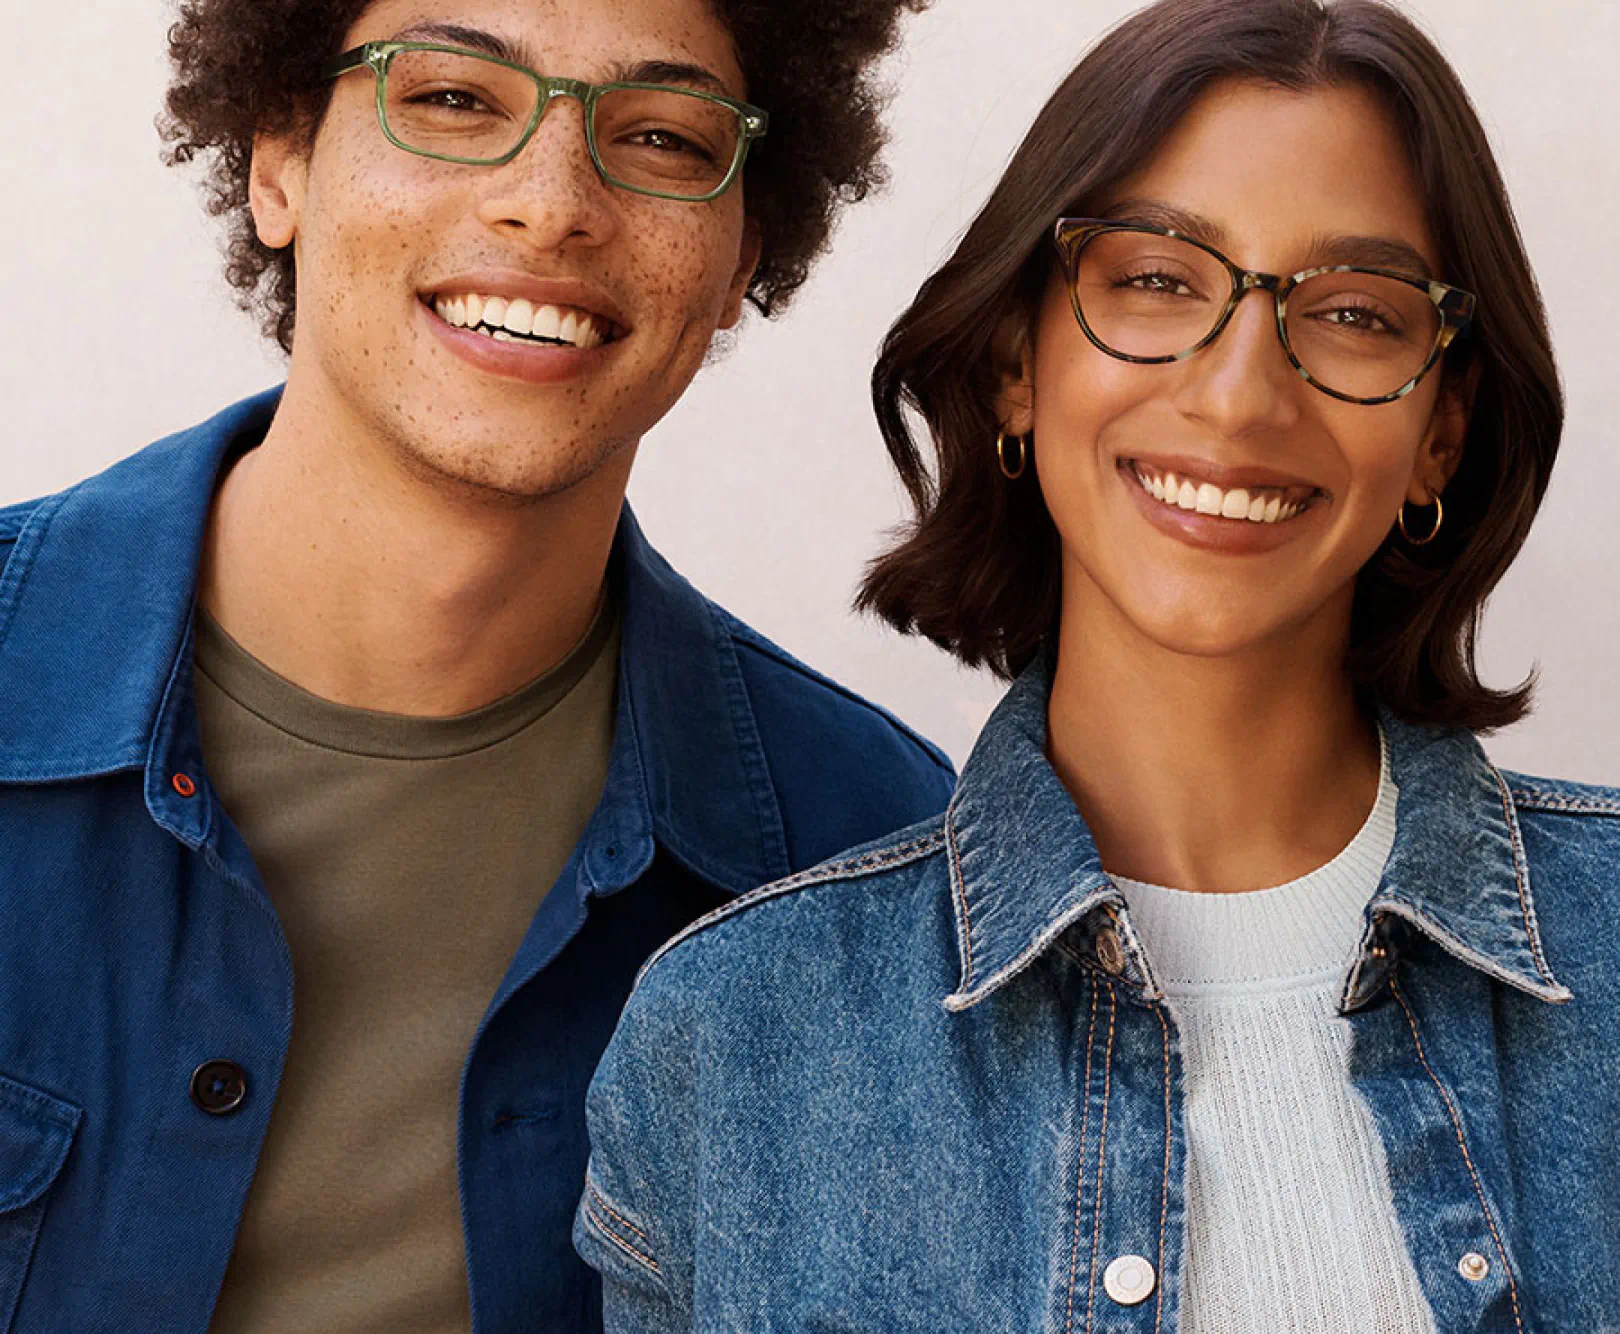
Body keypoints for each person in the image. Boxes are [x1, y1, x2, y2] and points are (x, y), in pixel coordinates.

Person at [575, 0, 1620, 1328]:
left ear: (1439, 433)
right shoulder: (733, 1048)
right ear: (1020, 363)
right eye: (1157, 280)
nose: (1241, 395)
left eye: (1355, 311)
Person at [0, 0, 952, 1329]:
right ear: (280, 158)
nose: (551, 204)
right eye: (452, 99)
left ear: (745, 248)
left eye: (665, 135)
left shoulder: (876, 872)